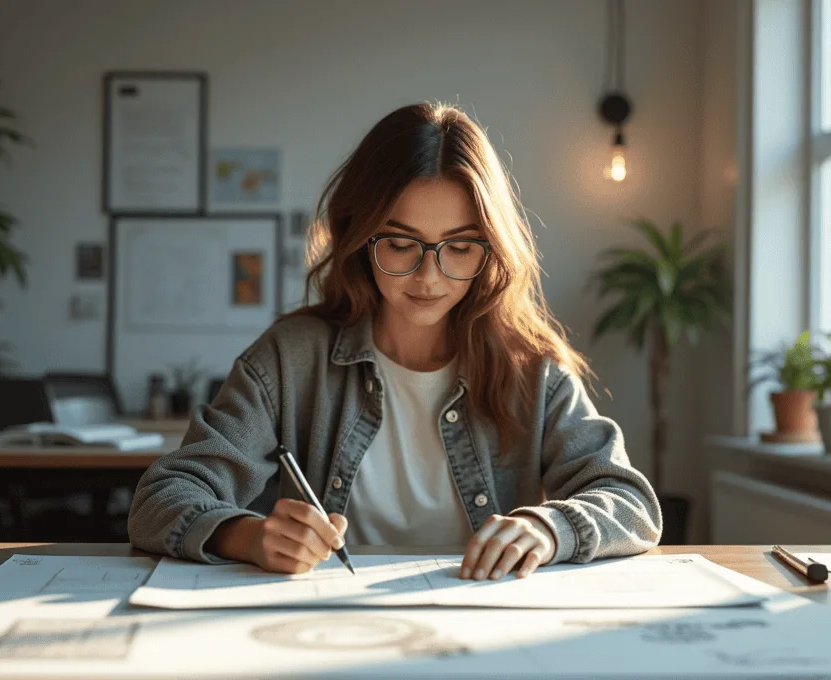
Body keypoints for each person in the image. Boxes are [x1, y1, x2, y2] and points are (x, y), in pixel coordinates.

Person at [128, 102, 661, 581]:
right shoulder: (290, 359)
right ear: (359, 239)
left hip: (483, 625)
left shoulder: (530, 367)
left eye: (459, 247)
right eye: (402, 244)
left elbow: (631, 502)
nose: (429, 277)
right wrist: (246, 537)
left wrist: (550, 529)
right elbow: (161, 499)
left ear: (491, 250)